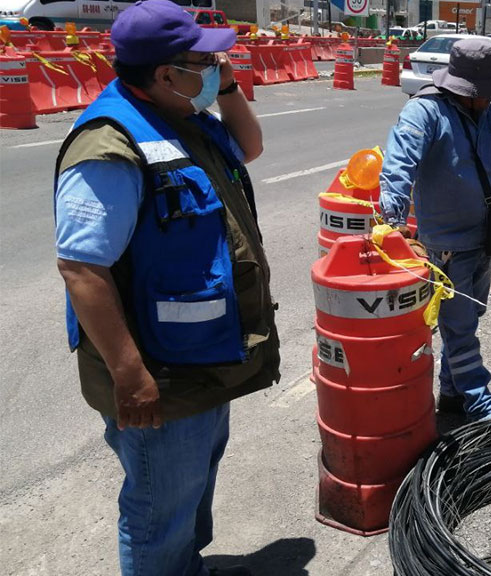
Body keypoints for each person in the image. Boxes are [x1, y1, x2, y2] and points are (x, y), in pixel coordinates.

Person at [53, 1, 279, 574]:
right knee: (159, 513)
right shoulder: (108, 146)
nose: (217, 65)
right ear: (164, 73)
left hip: (205, 359)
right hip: (160, 375)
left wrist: (224, 85)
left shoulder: (185, 115)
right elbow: (82, 270)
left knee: (189, 494)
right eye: (204, 60)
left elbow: (249, 147)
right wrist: (132, 378)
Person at [380, 38, 491, 421]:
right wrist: (392, 228)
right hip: (446, 246)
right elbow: (398, 168)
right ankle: (483, 408)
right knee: (460, 329)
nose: (484, 99)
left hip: (484, 240)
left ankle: (451, 394)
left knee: (466, 319)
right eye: (478, 93)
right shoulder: (424, 113)